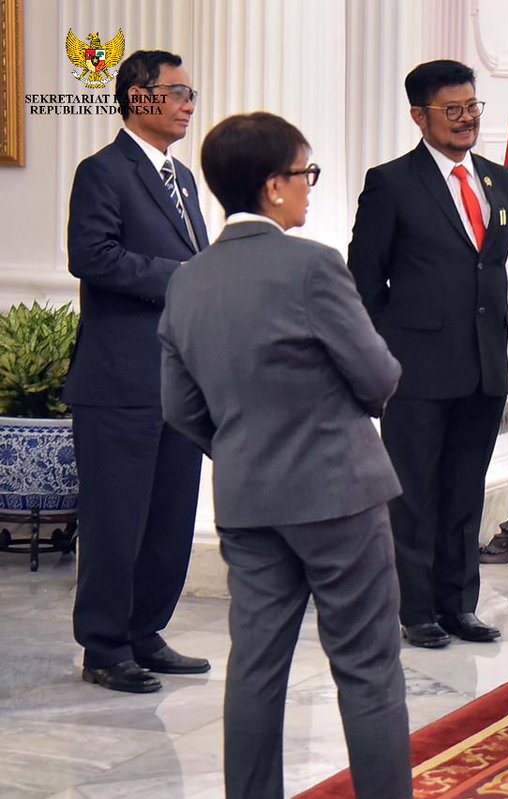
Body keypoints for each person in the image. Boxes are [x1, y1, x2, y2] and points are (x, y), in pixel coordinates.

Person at [158, 112, 412, 799]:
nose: (310, 188)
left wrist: (241, 446)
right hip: (338, 496)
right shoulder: (313, 266)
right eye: (306, 174)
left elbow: (180, 409)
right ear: (274, 186)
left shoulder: (187, 281)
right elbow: (379, 376)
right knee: (367, 668)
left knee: (256, 668)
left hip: (248, 499)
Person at [348, 59, 508, 648]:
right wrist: (378, 360)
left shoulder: (499, 180)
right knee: (414, 497)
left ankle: (459, 605)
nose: (466, 119)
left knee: (465, 491)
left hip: (483, 366)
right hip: (415, 370)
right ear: (420, 116)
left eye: (472, 107)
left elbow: (486, 269)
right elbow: (363, 282)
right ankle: (415, 610)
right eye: (452, 110)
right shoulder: (391, 183)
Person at [66, 49, 210, 693]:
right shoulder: (101, 172)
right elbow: (91, 256)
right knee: (116, 520)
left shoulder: (181, 179)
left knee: (169, 518)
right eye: (177, 92)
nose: (187, 104)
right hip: (120, 380)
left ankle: (145, 631)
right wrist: (181, 277)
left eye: (190, 93)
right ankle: (104, 646)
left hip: (178, 381)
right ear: (137, 98)